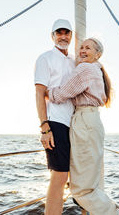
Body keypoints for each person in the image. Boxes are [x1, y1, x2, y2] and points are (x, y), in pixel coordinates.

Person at [48, 38, 119, 215]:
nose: (82, 50)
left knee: (81, 190)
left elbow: (62, 94)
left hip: (84, 121)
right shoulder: (97, 69)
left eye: (88, 47)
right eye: (81, 47)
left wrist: (45, 91)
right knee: (93, 182)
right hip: (93, 121)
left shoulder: (85, 68)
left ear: (98, 54)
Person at [34, 19, 75, 215]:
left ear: (71, 35)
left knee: (70, 176)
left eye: (67, 32)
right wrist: (44, 127)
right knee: (59, 177)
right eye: (59, 32)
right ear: (53, 36)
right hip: (55, 122)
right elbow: (39, 93)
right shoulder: (45, 58)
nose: (63, 36)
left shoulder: (75, 61)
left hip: (74, 124)